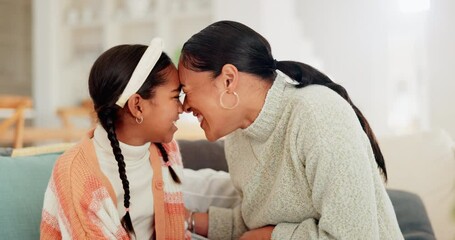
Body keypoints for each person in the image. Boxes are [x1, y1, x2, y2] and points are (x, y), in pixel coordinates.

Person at [178, 21, 404, 240]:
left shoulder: (317, 114)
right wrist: (187, 220)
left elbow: (355, 235)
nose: (184, 105)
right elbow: (252, 225)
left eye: (186, 90)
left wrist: (273, 237)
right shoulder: (238, 138)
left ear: (228, 80)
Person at [40, 38, 190, 239]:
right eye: (174, 97)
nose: (182, 107)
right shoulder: (75, 173)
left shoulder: (166, 149)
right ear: (138, 106)